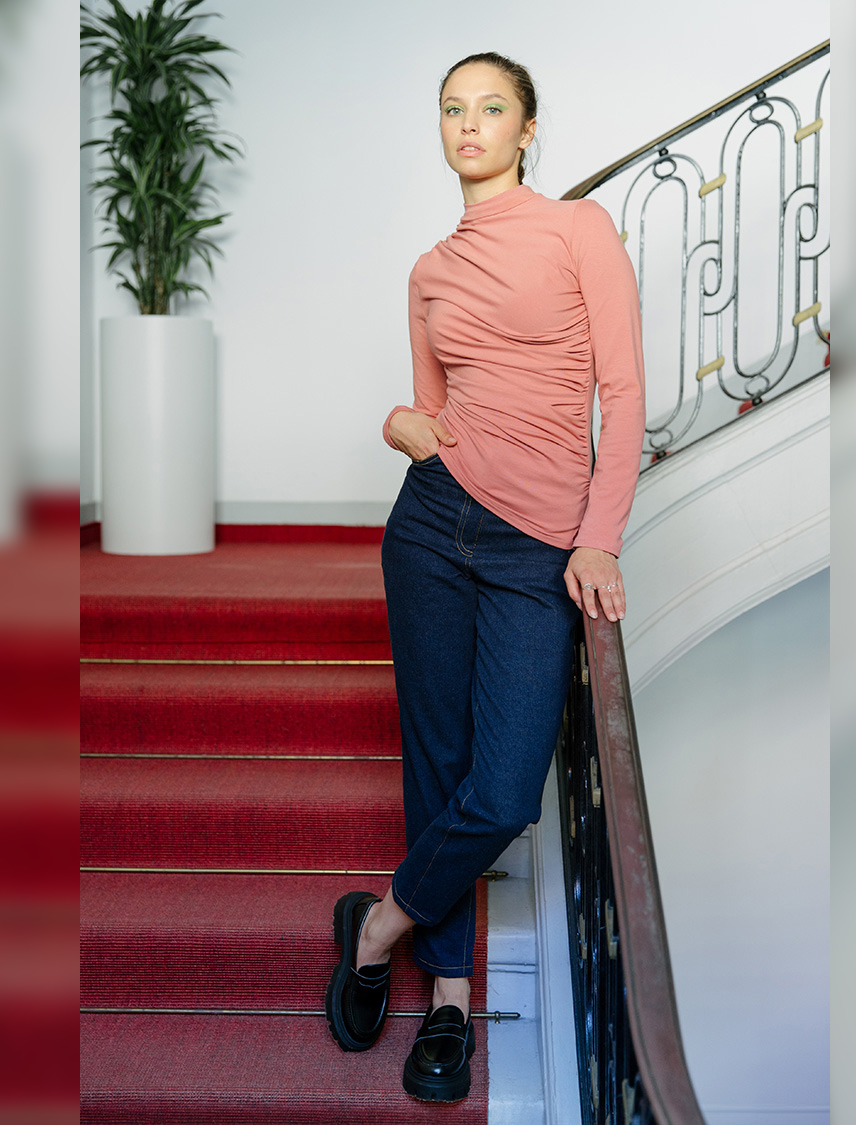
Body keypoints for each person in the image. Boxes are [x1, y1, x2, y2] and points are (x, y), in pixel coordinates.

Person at [324, 50, 645, 1103]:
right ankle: (452, 999)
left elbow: (623, 393)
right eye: (452, 109)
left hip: (535, 543)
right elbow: (429, 409)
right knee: (439, 758)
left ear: (526, 128)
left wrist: (598, 537)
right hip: (431, 526)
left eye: (491, 107)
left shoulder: (578, 230)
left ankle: (378, 926)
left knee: (504, 789)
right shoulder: (429, 269)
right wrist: (401, 426)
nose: (469, 124)